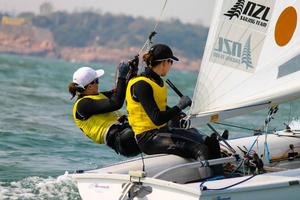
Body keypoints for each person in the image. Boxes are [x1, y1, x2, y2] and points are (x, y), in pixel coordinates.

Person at [125, 44, 222, 175]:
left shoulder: (158, 81)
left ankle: (221, 176)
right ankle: (210, 185)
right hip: (148, 139)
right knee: (200, 150)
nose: (171, 66)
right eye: (171, 62)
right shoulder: (141, 84)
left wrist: (179, 114)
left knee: (210, 142)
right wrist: (179, 106)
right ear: (164, 63)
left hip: (162, 132)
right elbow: (157, 118)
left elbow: (161, 108)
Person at [68, 61, 140, 157]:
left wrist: (132, 72)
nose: (98, 83)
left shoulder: (99, 96)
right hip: (123, 141)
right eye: (97, 80)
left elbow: (121, 91)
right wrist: (121, 77)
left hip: (127, 132)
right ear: (90, 86)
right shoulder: (83, 105)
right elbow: (116, 103)